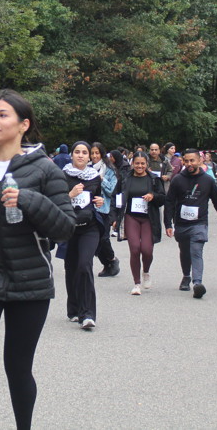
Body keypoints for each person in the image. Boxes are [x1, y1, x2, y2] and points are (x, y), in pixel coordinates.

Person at [0, 89, 75, 430]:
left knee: (18, 367)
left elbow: (65, 228)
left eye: (2, 115)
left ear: (24, 125)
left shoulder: (45, 170)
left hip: (30, 280)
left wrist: (29, 200)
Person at [164, 149, 217, 298]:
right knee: (185, 251)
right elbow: (169, 202)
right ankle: (186, 276)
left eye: (192, 160)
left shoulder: (207, 180)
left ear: (200, 161)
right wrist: (168, 224)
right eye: (186, 161)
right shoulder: (177, 179)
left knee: (196, 251)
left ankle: (197, 283)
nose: (189, 164)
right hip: (181, 223)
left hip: (199, 223)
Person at [61, 141, 104, 329]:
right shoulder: (62, 176)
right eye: (77, 152)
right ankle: (74, 308)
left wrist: (100, 201)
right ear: (71, 155)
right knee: (71, 268)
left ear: (89, 157)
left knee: (85, 265)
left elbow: (98, 199)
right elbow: (54, 201)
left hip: (90, 227)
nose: (80, 155)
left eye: (84, 152)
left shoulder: (94, 177)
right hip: (69, 227)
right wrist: (70, 194)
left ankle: (87, 314)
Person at [115, 153, 165, 295]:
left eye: (143, 163)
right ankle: (136, 283)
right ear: (132, 164)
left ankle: (146, 272)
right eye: (137, 163)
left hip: (149, 218)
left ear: (147, 164)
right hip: (131, 216)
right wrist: (115, 216)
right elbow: (116, 196)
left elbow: (163, 198)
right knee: (135, 248)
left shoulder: (154, 179)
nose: (140, 166)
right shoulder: (125, 178)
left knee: (147, 250)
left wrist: (153, 196)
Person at [91, 142, 120, 278]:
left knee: (103, 239)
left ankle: (112, 259)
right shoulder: (87, 168)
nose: (94, 156)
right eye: (92, 153)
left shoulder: (109, 170)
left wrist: (101, 179)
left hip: (104, 209)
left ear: (102, 154)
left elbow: (111, 190)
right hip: (89, 208)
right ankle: (106, 263)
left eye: (97, 153)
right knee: (94, 240)